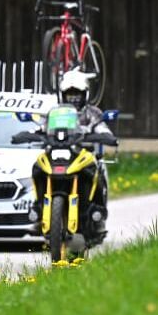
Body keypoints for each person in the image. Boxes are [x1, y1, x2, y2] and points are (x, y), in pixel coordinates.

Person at [57, 68, 116, 238]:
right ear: (63, 95)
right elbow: (44, 127)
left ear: (85, 94)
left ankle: (97, 216)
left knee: (99, 175)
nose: (74, 98)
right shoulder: (56, 112)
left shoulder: (93, 113)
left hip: (86, 157)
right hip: (61, 158)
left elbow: (103, 128)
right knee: (38, 167)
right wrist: (32, 133)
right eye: (70, 94)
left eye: (77, 94)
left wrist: (104, 135)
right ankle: (38, 210)